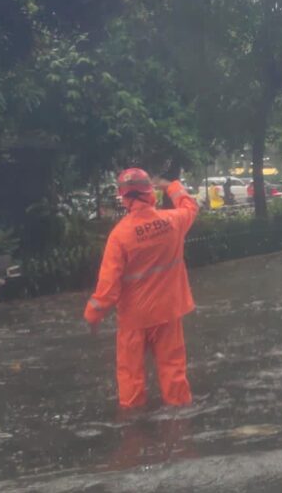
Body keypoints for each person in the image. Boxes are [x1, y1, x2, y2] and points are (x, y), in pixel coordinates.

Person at [84, 166, 199, 409]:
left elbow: (108, 286)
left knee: (130, 376)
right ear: (151, 193)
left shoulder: (120, 235)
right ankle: (179, 420)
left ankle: (133, 429)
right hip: (168, 312)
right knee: (173, 370)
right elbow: (190, 207)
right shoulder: (173, 221)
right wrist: (171, 186)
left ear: (124, 198)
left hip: (134, 319)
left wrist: (93, 314)